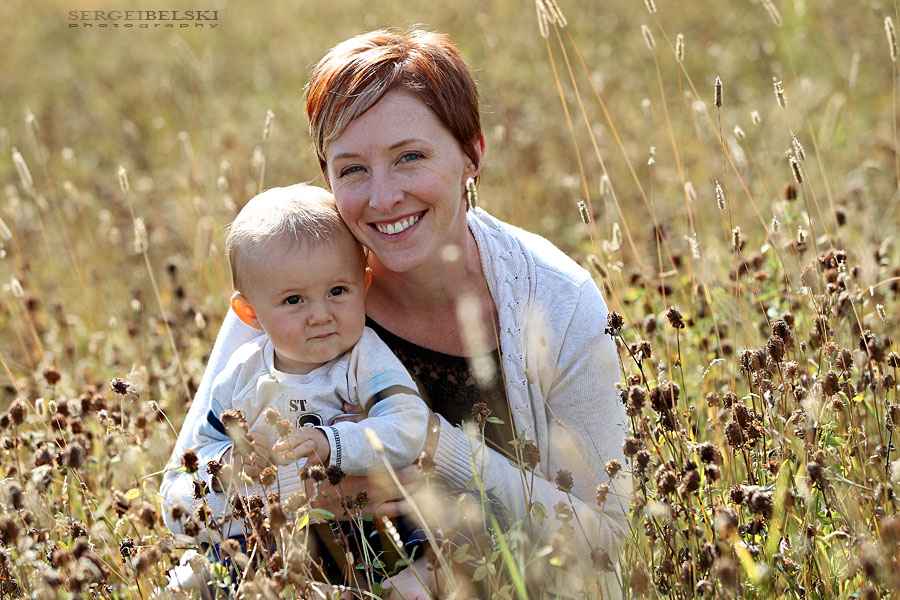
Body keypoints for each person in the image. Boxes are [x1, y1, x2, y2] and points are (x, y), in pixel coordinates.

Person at [161, 28, 630, 597]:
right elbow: (179, 503)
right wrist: (293, 494)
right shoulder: (291, 290)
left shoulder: (557, 304)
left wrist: (436, 447)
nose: (383, 198)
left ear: (471, 154)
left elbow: (610, 544)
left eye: (410, 157)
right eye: (353, 168)